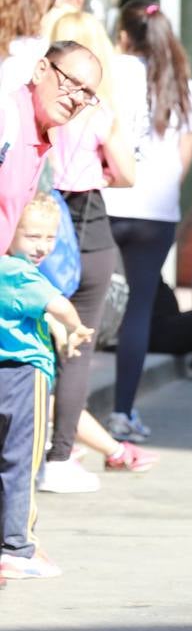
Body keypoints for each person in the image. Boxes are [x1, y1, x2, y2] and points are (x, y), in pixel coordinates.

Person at [38, 9, 137, 487]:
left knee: (31, 341)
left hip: (36, 221)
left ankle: (33, 447)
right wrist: (98, 171)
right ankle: (59, 457)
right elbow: (127, 173)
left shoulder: (33, 106)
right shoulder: (99, 111)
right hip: (87, 222)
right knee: (79, 346)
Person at [100, 0, 192, 441]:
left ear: (122, 34)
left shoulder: (107, 72)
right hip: (156, 211)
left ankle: (65, 415)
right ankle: (123, 412)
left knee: (89, 305)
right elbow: (184, 158)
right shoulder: (181, 84)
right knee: (137, 311)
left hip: (104, 201)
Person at [0, 193, 95, 580]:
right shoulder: (20, 272)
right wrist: (75, 326)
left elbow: (30, 313)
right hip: (27, 374)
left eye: (49, 238)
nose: (41, 247)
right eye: (31, 236)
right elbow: (56, 304)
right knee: (23, 462)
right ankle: (18, 546)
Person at [1, 42, 102, 314]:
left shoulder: (39, 135)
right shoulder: (6, 118)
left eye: (88, 94)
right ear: (40, 70)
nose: (78, 99)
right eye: (71, 83)